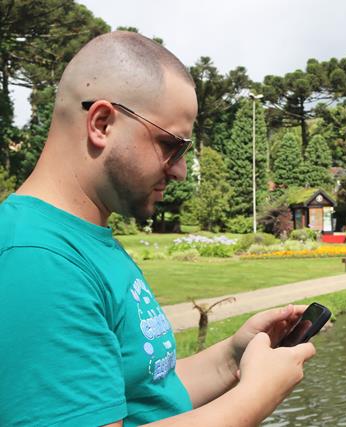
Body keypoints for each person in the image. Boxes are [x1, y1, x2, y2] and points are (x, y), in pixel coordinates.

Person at [0, 32, 315, 426]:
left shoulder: (86, 240)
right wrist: (256, 396)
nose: (180, 170)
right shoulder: (38, 260)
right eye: (170, 145)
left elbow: (147, 389)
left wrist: (234, 356)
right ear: (102, 123)